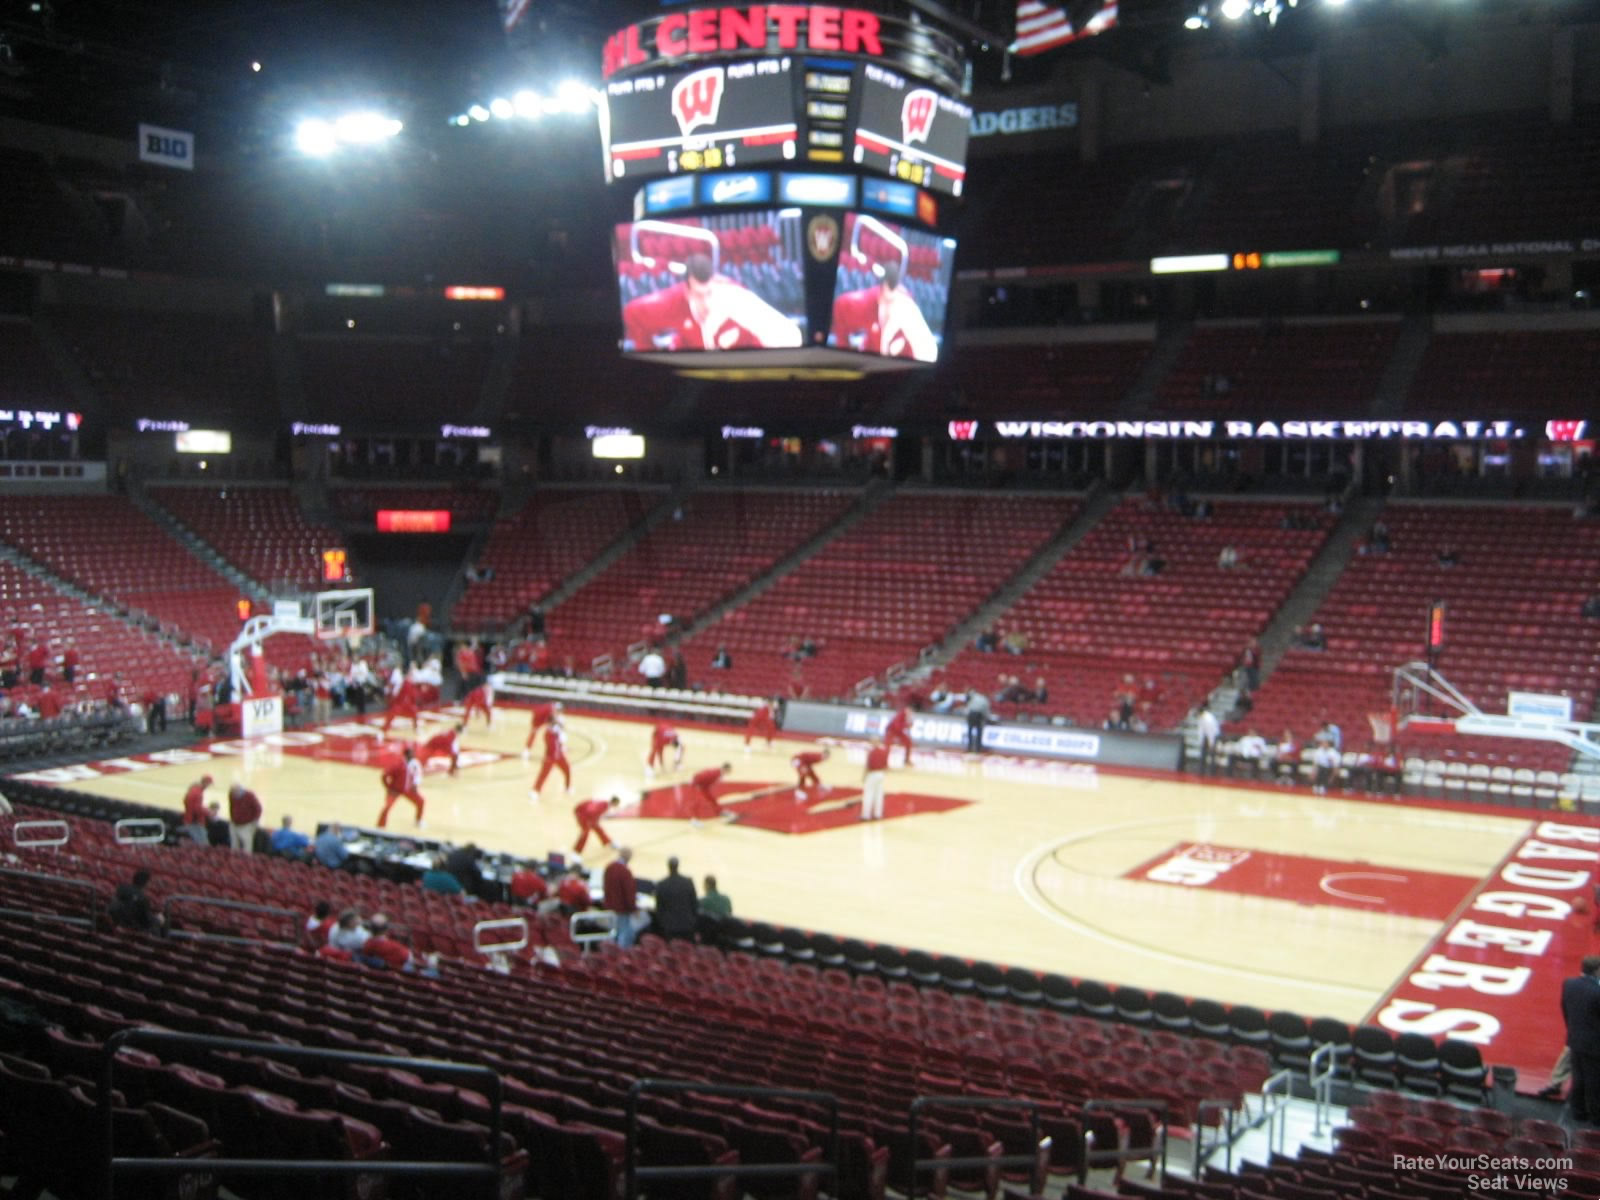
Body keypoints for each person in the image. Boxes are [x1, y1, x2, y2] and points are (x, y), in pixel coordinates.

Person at [623, 248, 804, 352]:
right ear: (686, 290)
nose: (706, 301)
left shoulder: (737, 297)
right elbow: (633, 312)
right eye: (699, 295)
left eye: (709, 293)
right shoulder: (670, 302)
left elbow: (792, 337)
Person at [829, 255, 937, 361]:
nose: (889, 306)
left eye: (892, 301)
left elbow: (928, 355)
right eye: (887, 301)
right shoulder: (861, 304)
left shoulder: (906, 309)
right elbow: (841, 308)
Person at [1562, 955, 1600, 1124]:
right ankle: (1596, 1116)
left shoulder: (1569, 984)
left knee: (1578, 1077)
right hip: (1594, 1044)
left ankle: (1577, 1112)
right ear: (1597, 970)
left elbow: (1565, 1009)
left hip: (1575, 1038)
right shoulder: (1597, 992)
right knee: (1594, 1081)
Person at [377, 746, 426, 829]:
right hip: (395, 791)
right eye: (410, 754)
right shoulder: (398, 764)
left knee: (421, 801)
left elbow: (416, 776)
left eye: (413, 754)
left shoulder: (414, 764)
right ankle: (380, 827)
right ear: (406, 755)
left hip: (408, 789)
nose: (412, 756)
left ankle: (418, 820)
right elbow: (384, 775)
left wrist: (414, 786)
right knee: (387, 807)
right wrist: (388, 787)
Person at [602, 846, 640, 948]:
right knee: (624, 936)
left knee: (612, 934)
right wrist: (633, 908)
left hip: (609, 908)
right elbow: (629, 893)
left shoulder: (609, 867)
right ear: (627, 857)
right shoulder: (625, 872)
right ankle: (620, 957)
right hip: (621, 910)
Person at [653, 856, 698, 941]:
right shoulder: (688, 882)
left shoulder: (662, 884)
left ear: (668, 866)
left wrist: (663, 922)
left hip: (669, 925)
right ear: (678, 866)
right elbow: (694, 904)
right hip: (687, 924)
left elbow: (659, 907)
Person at [531, 715, 572, 798]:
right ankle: (535, 791)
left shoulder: (556, 731)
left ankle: (567, 787)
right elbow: (553, 746)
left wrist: (563, 747)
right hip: (550, 757)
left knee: (567, 770)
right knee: (543, 774)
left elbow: (560, 740)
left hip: (560, 756)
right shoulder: (548, 734)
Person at [381, 667, 420, 735]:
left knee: (414, 711)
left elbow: (414, 695)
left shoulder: (411, 683)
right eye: (410, 674)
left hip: (408, 704)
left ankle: (415, 728)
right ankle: (384, 729)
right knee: (392, 713)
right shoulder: (402, 682)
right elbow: (396, 694)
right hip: (400, 703)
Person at [227, 782, 262, 853]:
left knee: (247, 845)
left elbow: (258, 809)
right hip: (234, 823)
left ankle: (246, 860)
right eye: (233, 792)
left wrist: (255, 821)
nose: (234, 794)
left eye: (235, 791)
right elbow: (231, 806)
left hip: (247, 824)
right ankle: (234, 858)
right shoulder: (231, 795)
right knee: (234, 844)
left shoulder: (250, 796)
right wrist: (232, 817)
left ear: (240, 790)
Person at [181, 774, 213, 846]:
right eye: (209, 784)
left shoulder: (193, 790)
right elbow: (197, 809)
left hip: (190, 820)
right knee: (203, 845)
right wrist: (208, 812)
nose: (209, 787)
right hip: (195, 822)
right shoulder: (197, 792)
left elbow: (186, 802)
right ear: (205, 783)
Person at [861, 740, 889, 821]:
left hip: (872, 774)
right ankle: (878, 814)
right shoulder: (884, 752)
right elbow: (886, 766)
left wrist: (864, 776)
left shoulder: (871, 752)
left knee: (868, 795)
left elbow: (868, 766)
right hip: (881, 774)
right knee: (879, 795)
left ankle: (865, 815)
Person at [1195, 706, 1220, 774]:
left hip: (1213, 736)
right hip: (1206, 736)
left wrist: (1211, 743)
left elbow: (1210, 732)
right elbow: (1201, 730)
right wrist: (1200, 741)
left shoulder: (1208, 719)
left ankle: (1212, 771)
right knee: (1203, 753)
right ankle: (1201, 770)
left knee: (1212, 754)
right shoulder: (1201, 718)